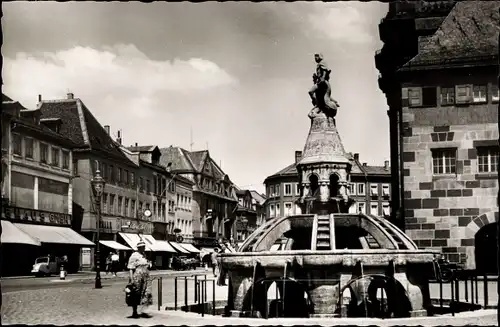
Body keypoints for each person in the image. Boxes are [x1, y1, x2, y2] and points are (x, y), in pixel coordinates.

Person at [127, 241, 153, 318]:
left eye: (144, 247)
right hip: (137, 277)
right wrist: (131, 279)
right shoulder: (134, 255)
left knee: (146, 293)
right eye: (142, 247)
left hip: (146, 277)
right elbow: (131, 268)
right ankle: (134, 311)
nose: (143, 248)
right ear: (138, 248)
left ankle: (143, 310)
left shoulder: (144, 255)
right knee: (135, 293)